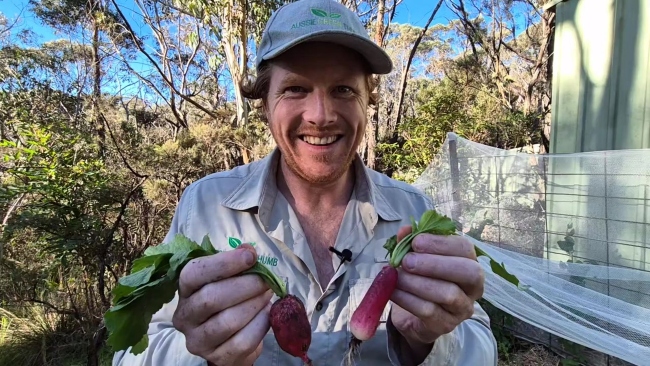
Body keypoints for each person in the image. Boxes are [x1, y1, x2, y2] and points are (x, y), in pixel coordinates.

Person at [112, 0, 497, 365]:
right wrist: (201, 354)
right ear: (265, 102)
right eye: (296, 88)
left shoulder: (413, 212)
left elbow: (482, 349)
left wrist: (430, 339)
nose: (320, 115)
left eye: (344, 89)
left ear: (368, 100)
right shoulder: (208, 207)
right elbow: (129, 354)